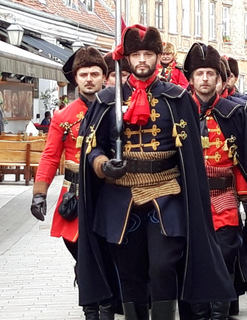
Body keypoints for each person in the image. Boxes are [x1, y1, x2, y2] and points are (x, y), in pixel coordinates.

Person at [77, 25, 235, 320]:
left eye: (148, 54)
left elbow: (188, 154)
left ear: (157, 56)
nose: (142, 60)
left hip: (166, 194)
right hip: (120, 196)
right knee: (128, 270)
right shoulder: (106, 100)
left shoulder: (176, 98)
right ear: (127, 58)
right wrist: (102, 165)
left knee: (162, 266)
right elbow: (93, 148)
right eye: (136, 54)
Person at [30, 46, 116, 320]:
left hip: (110, 193)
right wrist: (39, 193)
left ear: (104, 77)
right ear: (75, 79)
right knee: (83, 255)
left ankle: (106, 307)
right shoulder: (63, 117)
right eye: (83, 74)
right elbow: (50, 156)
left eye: (94, 73)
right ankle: (91, 306)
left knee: (109, 253)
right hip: (76, 195)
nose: (89, 78)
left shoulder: (118, 111)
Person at [184, 43, 247, 319]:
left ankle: (219, 315)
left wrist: (245, 196)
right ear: (191, 78)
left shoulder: (235, 113)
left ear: (219, 78)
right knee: (192, 260)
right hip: (189, 200)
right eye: (199, 73)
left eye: (210, 73)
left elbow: (244, 160)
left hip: (225, 199)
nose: (205, 78)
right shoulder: (178, 112)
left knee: (224, 256)